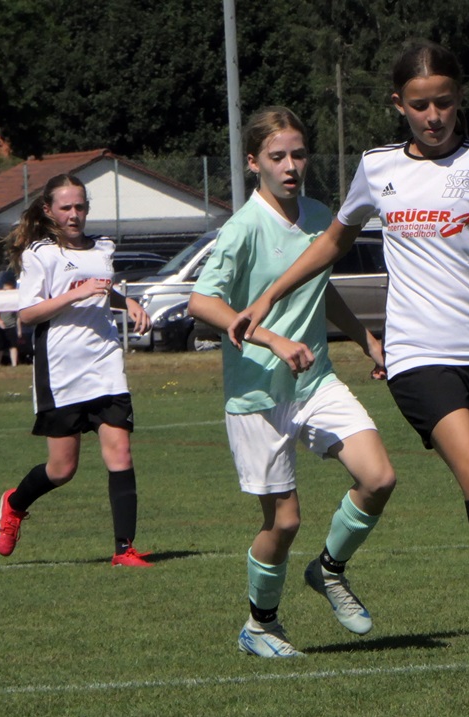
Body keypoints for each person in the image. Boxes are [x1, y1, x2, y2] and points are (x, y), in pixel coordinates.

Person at [232, 43, 469, 671]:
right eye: (420, 105)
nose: (433, 115)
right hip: (418, 357)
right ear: (399, 105)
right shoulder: (378, 168)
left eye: (444, 102)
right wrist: (270, 295)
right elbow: (332, 242)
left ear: (459, 99)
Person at [188, 107, 396, 658]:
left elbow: (320, 289)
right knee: (284, 522)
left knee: (378, 477)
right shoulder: (242, 228)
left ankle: (329, 569)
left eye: (298, 155)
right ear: (253, 162)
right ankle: (260, 626)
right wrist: (272, 339)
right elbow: (201, 302)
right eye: (277, 156)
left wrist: (366, 339)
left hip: (315, 381)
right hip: (257, 393)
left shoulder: (320, 216)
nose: (290, 166)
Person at [0, 174, 153, 567]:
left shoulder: (102, 248)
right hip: (62, 369)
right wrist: (75, 293)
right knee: (62, 469)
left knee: (121, 452)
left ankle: (124, 549)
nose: (74, 214)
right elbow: (28, 314)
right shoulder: (40, 254)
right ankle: (14, 503)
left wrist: (126, 302)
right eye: (65, 208)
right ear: (49, 210)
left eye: (80, 207)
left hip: (105, 363)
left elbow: (100, 289)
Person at [0, 279, 21, 367]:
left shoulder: (14, 301)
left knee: (13, 346)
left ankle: (14, 364)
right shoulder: (0, 300)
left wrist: (19, 330)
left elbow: (18, 317)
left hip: (11, 325)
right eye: (5, 290)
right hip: (0, 327)